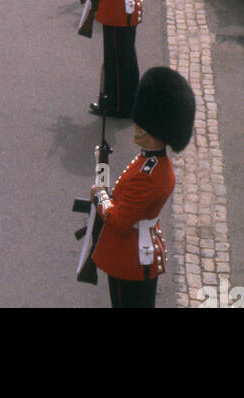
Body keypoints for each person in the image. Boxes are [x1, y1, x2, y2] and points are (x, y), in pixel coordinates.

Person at [91, 66, 195, 309]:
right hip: (139, 253)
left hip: (129, 258)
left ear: (156, 132)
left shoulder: (150, 174)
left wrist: (100, 197)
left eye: (143, 126)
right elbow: (126, 195)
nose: (136, 127)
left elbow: (119, 220)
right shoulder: (152, 163)